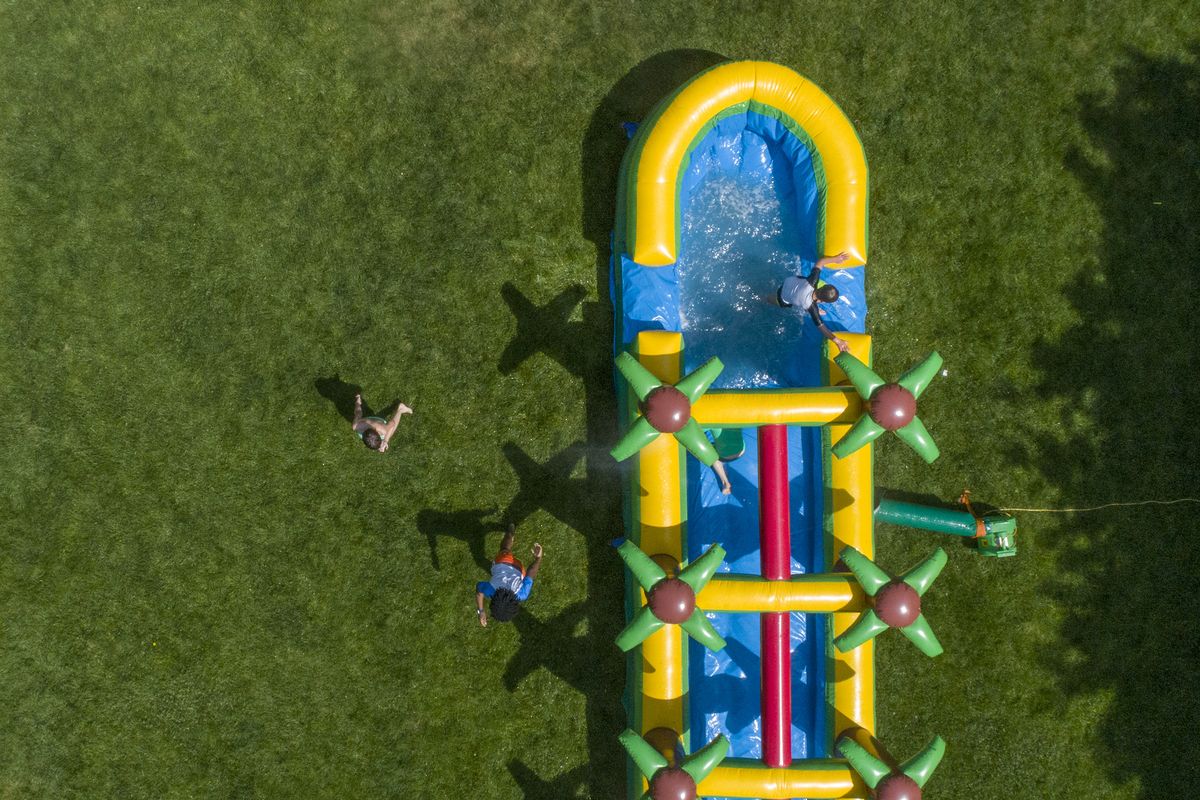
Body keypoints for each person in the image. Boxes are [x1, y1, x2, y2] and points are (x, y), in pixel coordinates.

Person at [775, 251, 852, 353]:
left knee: (803, 283)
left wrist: (836, 259)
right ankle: (765, 299)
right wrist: (838, 341)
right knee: (777, 301)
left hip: (789, 281)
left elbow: (820, 262)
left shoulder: (812, 281)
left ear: (822, 286)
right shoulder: (811, 308)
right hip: (783, 297)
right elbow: (821, 327)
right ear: (822, 302)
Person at [475, 524, 543, 626]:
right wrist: (481, 611)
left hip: (519, 569)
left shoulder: (522, 594)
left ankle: (511, 530)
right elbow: (479, 591)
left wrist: (538, 558)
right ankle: (510, 532)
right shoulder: (490, 591)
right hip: (502, 561)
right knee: (504, 548)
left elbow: (531, 572)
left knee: (506, 550)